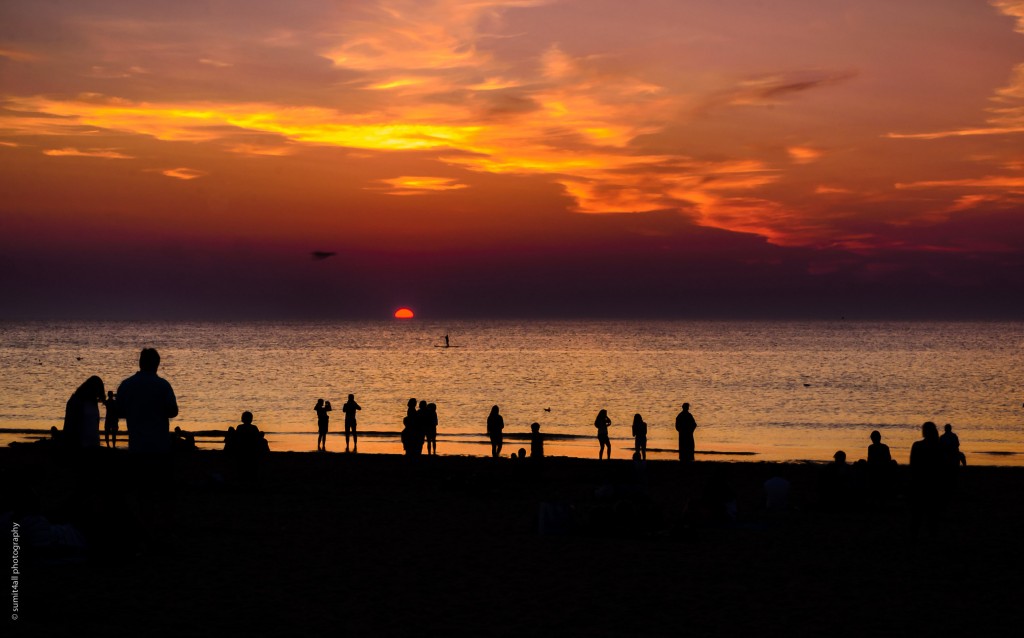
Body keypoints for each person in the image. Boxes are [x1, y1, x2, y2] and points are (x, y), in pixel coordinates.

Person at [116, 348, 179, 551]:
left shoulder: (126, 385)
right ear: (157, 364)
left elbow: (119, 411)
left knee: (143, 492)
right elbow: (173, 411)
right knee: (162, 491)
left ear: (140, 362)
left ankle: (145, 530)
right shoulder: (162, 385)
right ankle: (160, 531)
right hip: (160, 446)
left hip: (138, 446)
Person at [910, 421, 945, 536]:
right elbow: (943, 467)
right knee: (933, 514)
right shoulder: (940, 446)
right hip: (935, 484)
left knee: (917, 514)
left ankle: (915, 536)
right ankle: (932, 536)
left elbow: (913, 467)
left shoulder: (917, 446)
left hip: (920, 483)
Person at [62, 375, 105, 450]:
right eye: (97, 391)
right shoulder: (75, 401)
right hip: (80, 445)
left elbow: (95, 423)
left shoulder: (93, 401)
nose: (97, 395)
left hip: (94, 444)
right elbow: (69, 424)